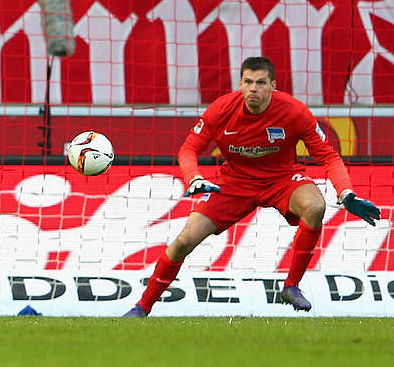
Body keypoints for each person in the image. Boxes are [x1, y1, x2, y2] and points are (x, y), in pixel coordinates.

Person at [124, 57, 382, 317]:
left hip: (282, 179)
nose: (253, 89)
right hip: (234, 183)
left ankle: (291, 286)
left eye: (260, 83)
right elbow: (189, 148)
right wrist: (194, 177)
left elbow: (328, 156)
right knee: (183, 241)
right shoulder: (221, 109)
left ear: (273, 85)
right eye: (248, 82)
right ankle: (142, 307)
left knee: (315, 206)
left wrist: (346, 191)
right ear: (240, 84)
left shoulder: (294, 111)